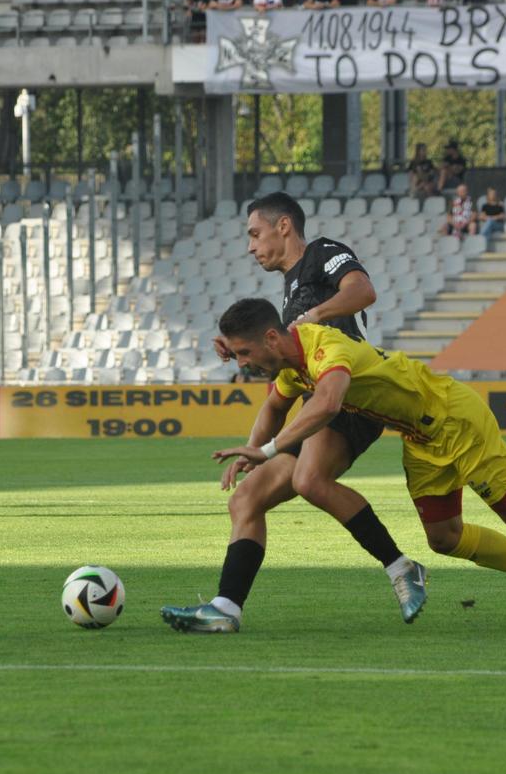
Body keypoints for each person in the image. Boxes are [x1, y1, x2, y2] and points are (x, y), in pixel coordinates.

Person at [202, 298, 506, 631]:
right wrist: (250, 453)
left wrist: (268, 451)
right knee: (444, 539)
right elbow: (273, 406)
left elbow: (328, 404)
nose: (242, 364)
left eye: (244, 354)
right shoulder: (289, 365)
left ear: (270, 338)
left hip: (454, 418)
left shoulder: (326, 348)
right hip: (420, 438)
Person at [160, 193, 428, 634]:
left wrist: (313, 315)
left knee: (310, 480)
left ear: (283, 226)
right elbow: (277, 390)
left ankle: (402, 568)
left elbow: (364, 290)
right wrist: (242, 351)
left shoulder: (322, 253)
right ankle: (226, 608)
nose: (250, 245)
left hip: (349, 393)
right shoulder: (289, 292)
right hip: (315, 398)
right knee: (247, 498)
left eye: (254, 233)